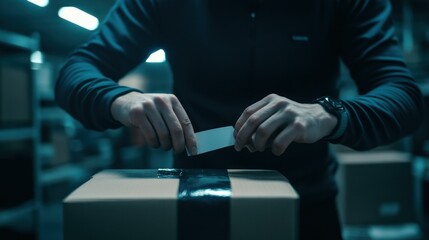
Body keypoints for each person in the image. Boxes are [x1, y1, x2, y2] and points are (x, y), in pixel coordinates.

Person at [55, 0, 424, 239]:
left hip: (305, 211)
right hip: (192, 209)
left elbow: (403, 96)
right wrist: (121, 99)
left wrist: (329, 113)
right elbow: (76, 71)